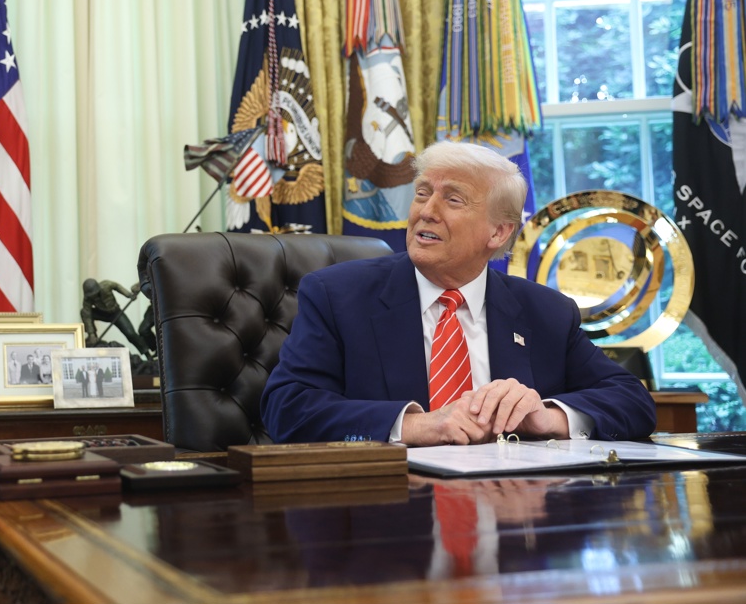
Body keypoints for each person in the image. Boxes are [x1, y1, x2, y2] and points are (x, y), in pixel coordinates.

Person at [261, 140, 656, 446]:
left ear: (498, 232)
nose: (426, 211)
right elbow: (287, 409)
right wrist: (415, 425)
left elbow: (631, 400)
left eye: (452, 199)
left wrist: (547, 417)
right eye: (421, 193)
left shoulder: (545, 312)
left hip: (513, 520)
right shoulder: (337, 296)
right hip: (389, 517)